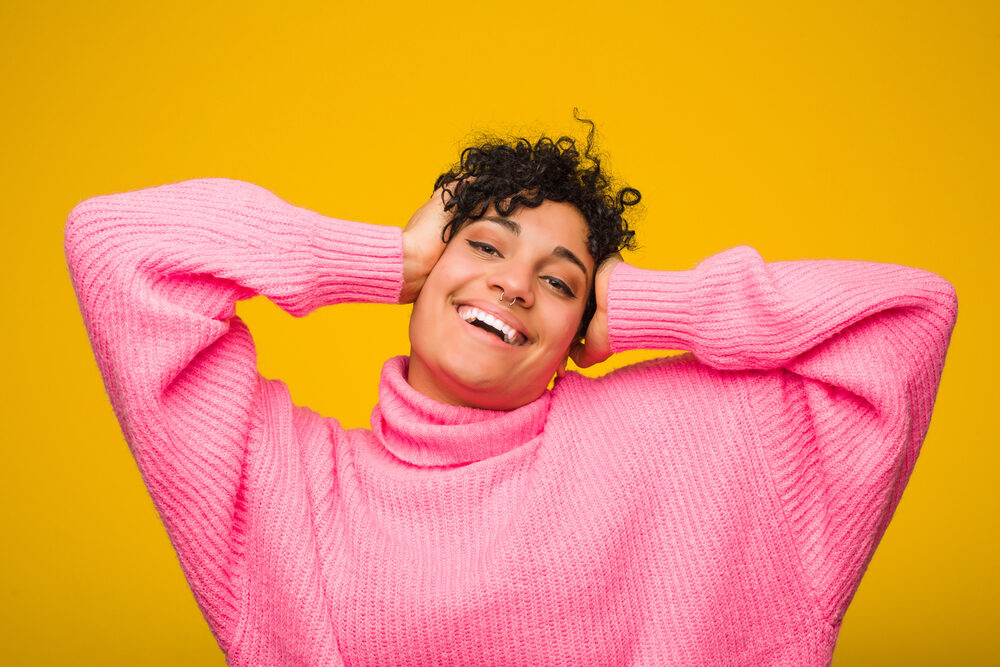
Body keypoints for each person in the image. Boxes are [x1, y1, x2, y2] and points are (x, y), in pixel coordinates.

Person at [65, 120, 957, 666]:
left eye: (559, 281)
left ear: (581, 329)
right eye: (485, 247)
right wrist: (390, 258)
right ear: (431, 269)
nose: (514, 285)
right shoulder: (287, 492)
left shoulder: (684, 445)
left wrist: (644, 305)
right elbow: (116, 246)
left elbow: (909, 318)